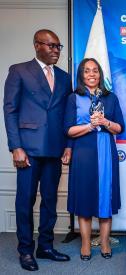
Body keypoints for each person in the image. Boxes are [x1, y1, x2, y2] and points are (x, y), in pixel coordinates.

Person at [3, 29, 72, 271]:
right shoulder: (19, 70)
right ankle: (25, 251)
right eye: (50, 46)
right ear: (36, 45)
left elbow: (67, 116)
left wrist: (68, 146)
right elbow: (10, 110)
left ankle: (45, 247)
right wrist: (16, 147)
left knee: (50, 201)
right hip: (28, 150)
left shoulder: (64, 77)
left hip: (54, 148)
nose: (55, 50)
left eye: (58, 47)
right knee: (25, 201)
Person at [64, 58, 124, 261]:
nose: (92, 74)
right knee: (84, 198)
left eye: (95, 70)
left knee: (105, 199)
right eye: (87, 71)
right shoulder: (74, 98)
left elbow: (120, 128)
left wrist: (105, 121)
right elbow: (69, 130)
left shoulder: (111, 98)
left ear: (100, 74)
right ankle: (85, 243)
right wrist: (90, 126)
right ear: (81, 74)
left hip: (106, 151)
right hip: (83, 153)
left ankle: (105, 242)